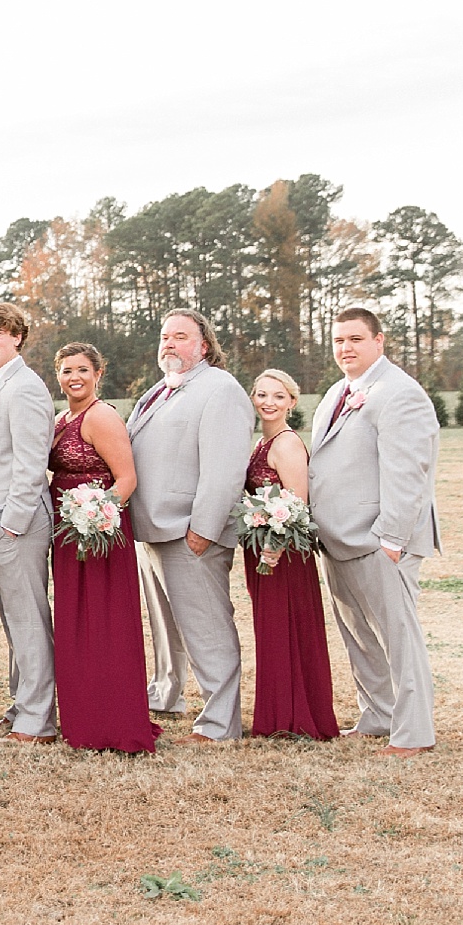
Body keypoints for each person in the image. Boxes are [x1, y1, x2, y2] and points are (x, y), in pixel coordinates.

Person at [309, 308, 440, 758]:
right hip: (340, 539)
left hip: (380, 540)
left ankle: (414, 733)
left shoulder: (399, 393)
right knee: (360, 635)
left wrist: (392, 539)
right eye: (339, 339)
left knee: (398, 636)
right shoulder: (337, 392)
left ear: (379, 342)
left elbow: (409, 472)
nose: (345, 348)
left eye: (356, 339)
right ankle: (378, 714)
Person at [127, 309, 256, 743]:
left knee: (207, 627)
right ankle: (166, 694)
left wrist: (204, 527)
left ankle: (220, 725)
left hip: (189, 531)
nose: (169, 344)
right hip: (153, 529)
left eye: (180, 337)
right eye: (165, 336)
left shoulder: (220, 389)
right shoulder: (159, 391)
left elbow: (224, 468)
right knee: (166, 627)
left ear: (204, 345)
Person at [47, 343, 159, 753]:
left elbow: (126, 479)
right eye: (65, 370)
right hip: (67, 533)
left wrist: (95, 517)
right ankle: (83, 719)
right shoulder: (61, 420)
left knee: (104, 623)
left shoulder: (103, 416)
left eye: (81, 370)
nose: (73, 377)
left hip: (100, 534)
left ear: (98, 374)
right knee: (75, 625)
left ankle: (114, 720)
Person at [0, 302, 58, 743]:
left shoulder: (24, 387)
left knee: (28, 621)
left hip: (16, 523)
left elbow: (31, 462)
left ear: (17, 338)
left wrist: (12, 521)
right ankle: (23, 704)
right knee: (15, 621)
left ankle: (38, 721)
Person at [243, 368, 339, 741]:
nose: (269, 402)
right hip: (261, 547)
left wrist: (274, 546)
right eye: (262, 395)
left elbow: (297, 502)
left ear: (292, 402)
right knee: (270, 629)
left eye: (278, 396)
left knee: (287, 627)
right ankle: (278, 713)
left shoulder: (285, 444)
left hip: (282, 552)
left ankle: (297, 715)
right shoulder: (261, 443)